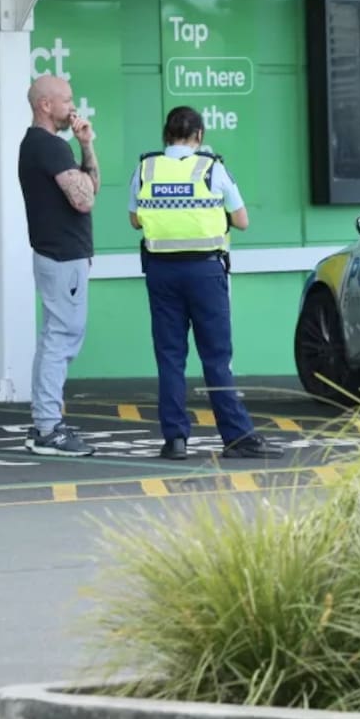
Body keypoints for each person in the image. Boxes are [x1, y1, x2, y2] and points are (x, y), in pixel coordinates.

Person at [127, 106, 281, 460]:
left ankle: (176, 439)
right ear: (199, 135)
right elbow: (242, 221)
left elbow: (135, 220)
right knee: (216, 357)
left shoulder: (146, 168)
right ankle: (236, 436)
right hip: (206, 273)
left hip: (162, 273)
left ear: (166, 135)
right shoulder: (213, 168)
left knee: (170, 357)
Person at [19, 74, 100, 457]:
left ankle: (45, 423)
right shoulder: (48, 146)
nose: (73, 106)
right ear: (45, 105)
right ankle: (49, 427)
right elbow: (84, 200)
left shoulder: (51, 146)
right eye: (66, 100)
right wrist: (78, 154)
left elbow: (91, 186)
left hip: (61, 255)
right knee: (61, 338)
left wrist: (86, 145)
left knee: (58, 335)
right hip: (62, 256)